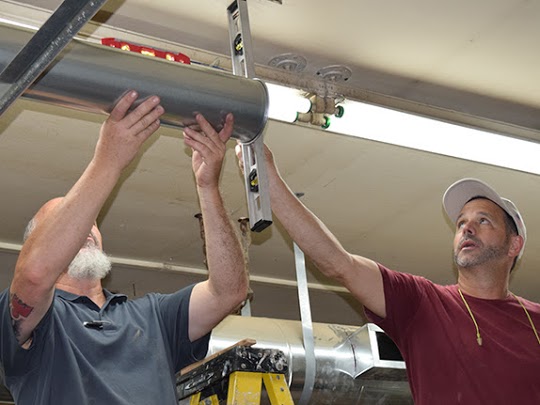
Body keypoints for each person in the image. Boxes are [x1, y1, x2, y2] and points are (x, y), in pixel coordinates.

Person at [235, 144, 540, 404]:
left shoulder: (535, 320)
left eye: (483, 220)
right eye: (461, 222)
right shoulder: (422, 302)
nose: (467, 228)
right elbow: (339, 264)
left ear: (514, 245)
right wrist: (269, 180)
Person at [0, 91, 248, 405]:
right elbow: (35, 274)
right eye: (71, 224)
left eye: (91, 222)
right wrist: (109, 159)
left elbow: (229, 291)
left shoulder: (153, 316)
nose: (86, 230)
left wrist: (208, 187)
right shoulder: (39, 320)